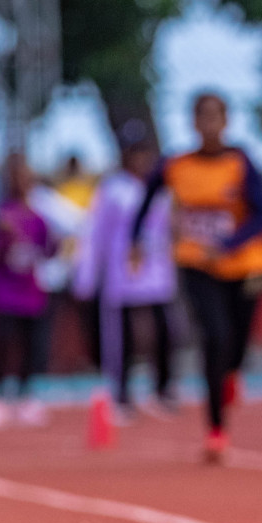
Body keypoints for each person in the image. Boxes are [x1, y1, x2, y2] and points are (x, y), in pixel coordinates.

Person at [132, 93, 262, 463]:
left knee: (237, 344)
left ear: (226, 121)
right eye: (202, 117)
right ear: (193, 122)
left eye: (215, 117)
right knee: (214, 336)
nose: (209, 124)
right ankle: (216, 430)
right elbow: (146, 199)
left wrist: (228, 243)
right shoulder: (176, 164)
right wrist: (136, 240)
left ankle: (232, 374)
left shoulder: (241, 163)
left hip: (244, 265)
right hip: (196, 263)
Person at [77, 125, 179, 416]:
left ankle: (163, 389)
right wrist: (87, 275)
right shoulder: (112, 190)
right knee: (122, 336)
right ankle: (121, 393)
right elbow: (96, 234)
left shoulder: (160, 190)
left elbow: (170, 230)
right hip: (122, 274)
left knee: (164, 331)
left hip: (157, 273)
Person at [0, 154, 55, 429]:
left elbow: (49, 248)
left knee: (31, 345)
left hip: (32, 293)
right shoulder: (0, 216)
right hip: (5, 293)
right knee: (3, 343)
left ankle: (26, 395)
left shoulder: (38, 218)